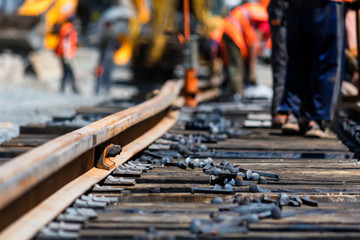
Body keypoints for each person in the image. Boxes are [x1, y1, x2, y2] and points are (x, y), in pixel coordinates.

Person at [279, 0, 346, 138]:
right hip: (328, 4)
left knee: (297, 59)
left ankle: (292, 114)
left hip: (298, 4)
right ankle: (316, 119)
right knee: (327, 62)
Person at [210, 1, 270, 96]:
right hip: (233, 32)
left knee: (236, 65)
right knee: (236, 67)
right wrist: (251, 70)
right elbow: (254, 44)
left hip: (231, 30)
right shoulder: (266, 22)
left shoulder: (262, 14)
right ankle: (238, 95)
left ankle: (238, 92)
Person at [267, 0, 289, 128]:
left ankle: (282, 111)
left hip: (283, 15)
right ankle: (279, 112)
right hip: (281, 17)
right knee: (282, 64)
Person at [55, 17, 79, 94]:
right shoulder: (69, 29)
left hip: (63, 52)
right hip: (65, 53)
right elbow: (66, 42)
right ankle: (72, 88)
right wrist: (66, 55)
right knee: (69, 71)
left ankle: (64, 88)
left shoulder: (65, 27)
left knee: (66, 72)